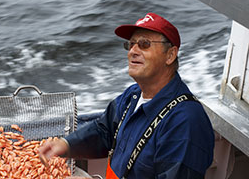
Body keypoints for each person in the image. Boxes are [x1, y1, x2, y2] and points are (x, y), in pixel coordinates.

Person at [39, 13, 214, 179]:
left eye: (144, 44)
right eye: (130, 44)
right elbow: (103, 131)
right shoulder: (133, 95)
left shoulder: (186, 122)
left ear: (170, 55)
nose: (132, 51)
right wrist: (66, 145)